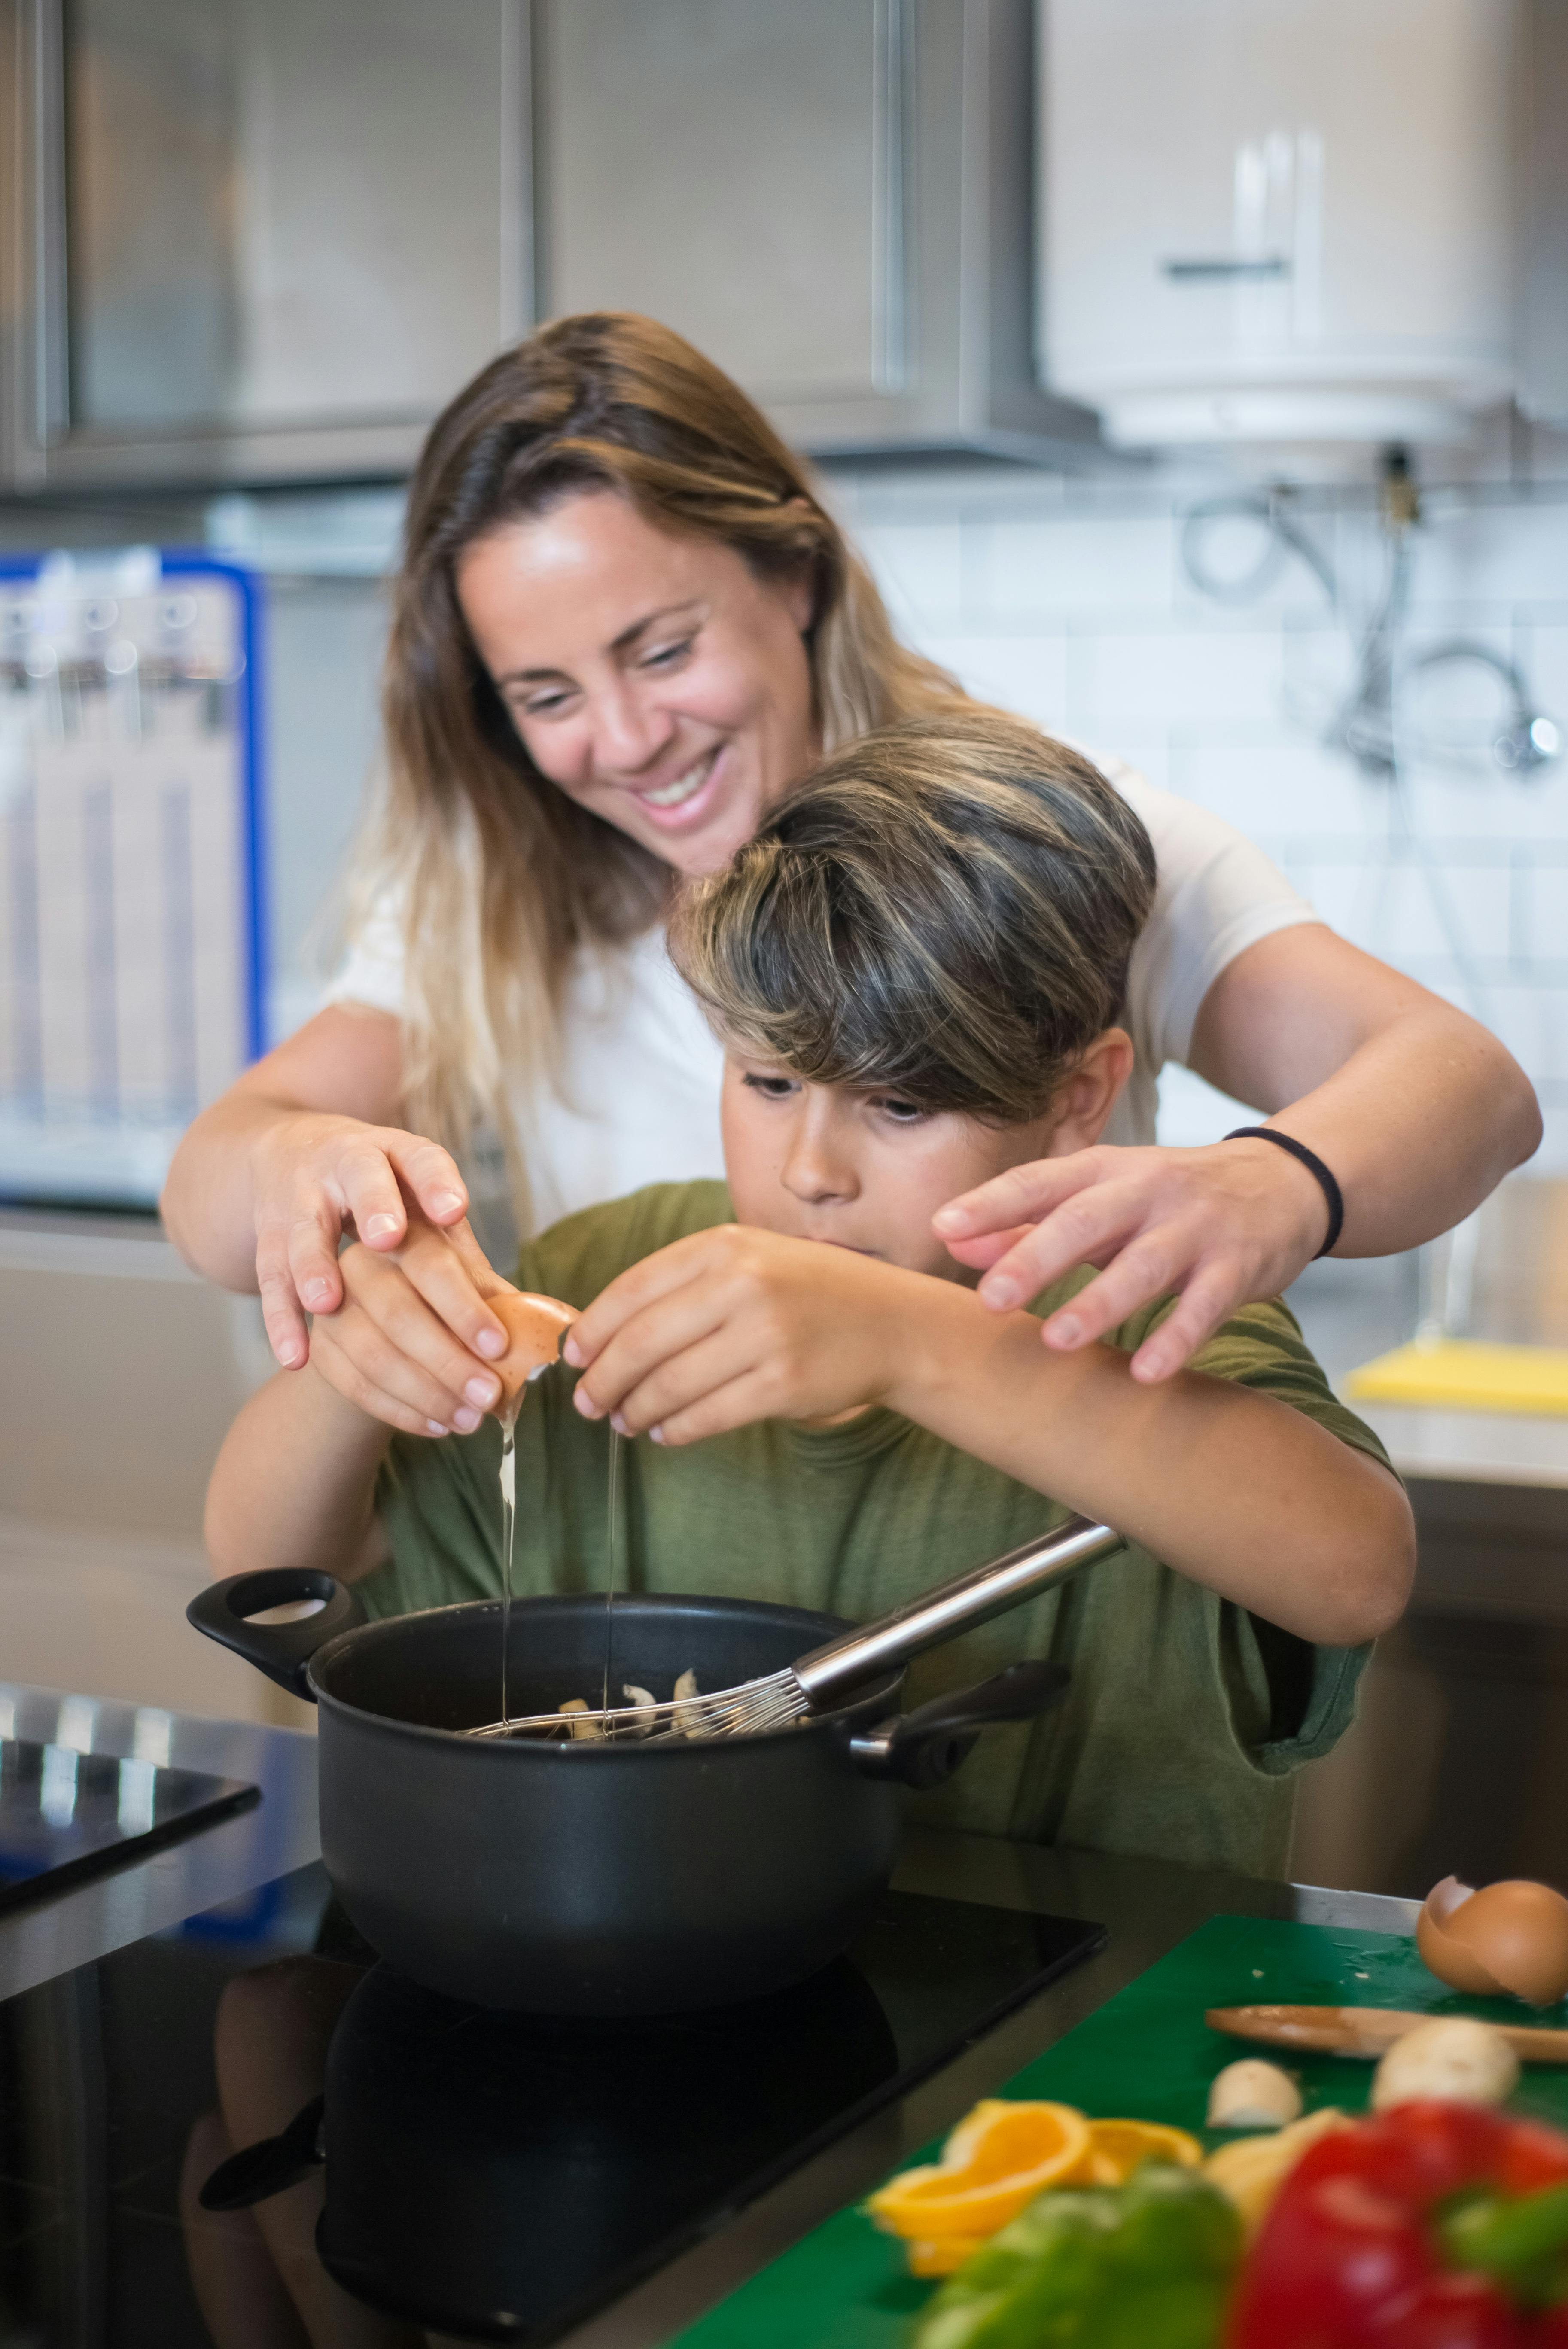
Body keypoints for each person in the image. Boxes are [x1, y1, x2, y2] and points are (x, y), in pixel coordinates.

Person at [161, 311, 1539, 1436]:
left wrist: (1273, 1184)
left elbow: (1467, 1088)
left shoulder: (1053, 848)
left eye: (658, 649)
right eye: (545, 693)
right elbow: (219, 1183)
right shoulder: (494, 899)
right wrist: (301, 1166)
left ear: (797, 576)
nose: (629, 741)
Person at [205, 714, 1413, 1878]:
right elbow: (271, 1570)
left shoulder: (1140, 1302)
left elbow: (1353, 1570)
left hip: (1076, 2042)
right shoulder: (606, 1269)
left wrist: (916, 1346)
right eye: (768, 1081)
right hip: (653, 1983)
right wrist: (355, 1358)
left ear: (1080, 1093)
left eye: (899, 1106)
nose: (809, 1173)